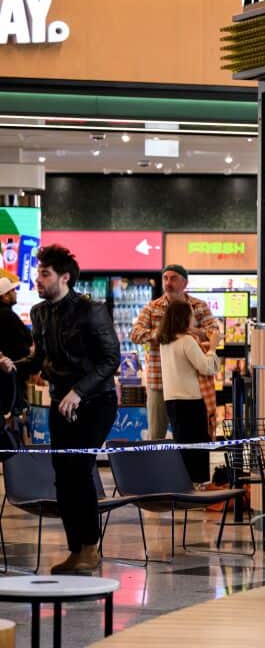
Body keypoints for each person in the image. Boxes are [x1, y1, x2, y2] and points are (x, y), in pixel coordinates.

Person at [0, 245, 118, 574]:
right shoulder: (39, 313)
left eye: (45, 274)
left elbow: (111, 361)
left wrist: (79, 392)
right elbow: (39, 360)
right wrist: (14, 365)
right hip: (60, 401)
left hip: (96, 402)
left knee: (79, 470)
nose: (38, 279)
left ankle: (90, 549)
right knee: (63, 476)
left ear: (65, 277)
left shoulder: (91, 310)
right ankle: (76, 549)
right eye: (37, 273)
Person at [131, 265, 220, 441]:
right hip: (158, 380)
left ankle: (184, 468)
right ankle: (155, 469)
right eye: (165, 278)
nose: (168, 283)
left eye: (173, 278)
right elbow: (135, 334)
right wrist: (162, 334)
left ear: (184, 282)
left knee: (192, 437)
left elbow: (214, 332)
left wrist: (188, 331)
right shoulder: (152, 307)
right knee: (156, 436)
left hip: (191, 383)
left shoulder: (198, 306)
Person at [157, 300, 219, 483]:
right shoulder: (186, 341)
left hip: (172, 400)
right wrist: (213, 347)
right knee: (197, 449)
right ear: (184, 317)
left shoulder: (165, 341)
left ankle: (184, 487)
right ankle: (198, 490)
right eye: (191, 314)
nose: (194, 318)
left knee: (183, 446)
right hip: (191, 401)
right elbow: (207, 367)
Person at [0, 274, 32, 417]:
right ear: (5, 296)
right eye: (12, 291)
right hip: (11, 376)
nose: (15, 293)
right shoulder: (7, 316)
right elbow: (22, 346)